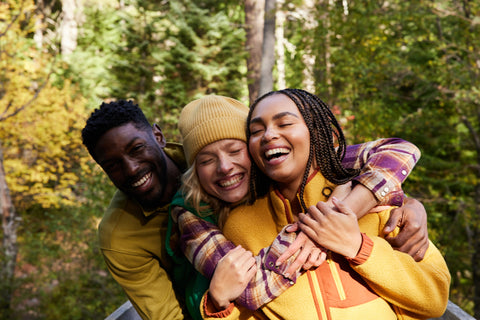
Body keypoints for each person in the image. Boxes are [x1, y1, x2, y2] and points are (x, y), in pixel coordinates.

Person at [168, 95, 432, 318]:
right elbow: (248, 290)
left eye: (235, 151)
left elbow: (399, 151)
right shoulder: (192, 215)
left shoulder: (337, 177)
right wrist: (317, 232)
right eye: (206, 160)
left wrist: (393, 203)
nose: (224, 167)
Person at [81, 100, 188, 320]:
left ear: (158, 136)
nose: (131, 169)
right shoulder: (119, 238)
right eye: (113, 166)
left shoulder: (212, 161)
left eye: (137, 149)